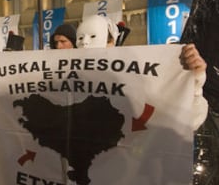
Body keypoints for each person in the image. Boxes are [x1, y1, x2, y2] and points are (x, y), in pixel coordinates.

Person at [76, 14, 208, 130]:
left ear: (112, 42)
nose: (85, 43)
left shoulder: (137, 79)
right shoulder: (67, 82)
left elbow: (187, 121)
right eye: (80, 38)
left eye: (93, 36)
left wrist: (194, 82)